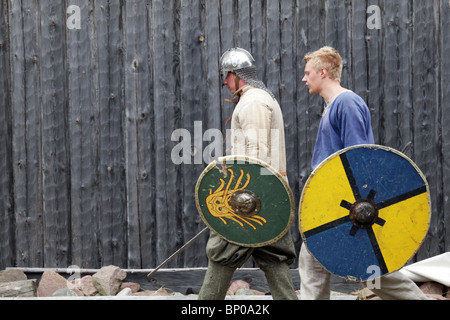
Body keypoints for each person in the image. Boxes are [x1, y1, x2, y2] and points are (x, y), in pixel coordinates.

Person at [299, 46, 429, 300]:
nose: (304, 78)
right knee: (315, 259)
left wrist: (356, 209)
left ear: (323, 72)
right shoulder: (333, 105)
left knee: (375, 270)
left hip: (347, 206)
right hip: (334, 202)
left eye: (307, 73)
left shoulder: (346, 103)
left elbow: (358, 159)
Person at [198, 48, 298, 300]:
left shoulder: (253, 102)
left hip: (250, 200)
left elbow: (256, 157)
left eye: (226, 75)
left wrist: (241, 202)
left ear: (235, 74)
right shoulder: (257, 98)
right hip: (267, 198)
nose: (224, 82)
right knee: (274, 259)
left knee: (221, 255)